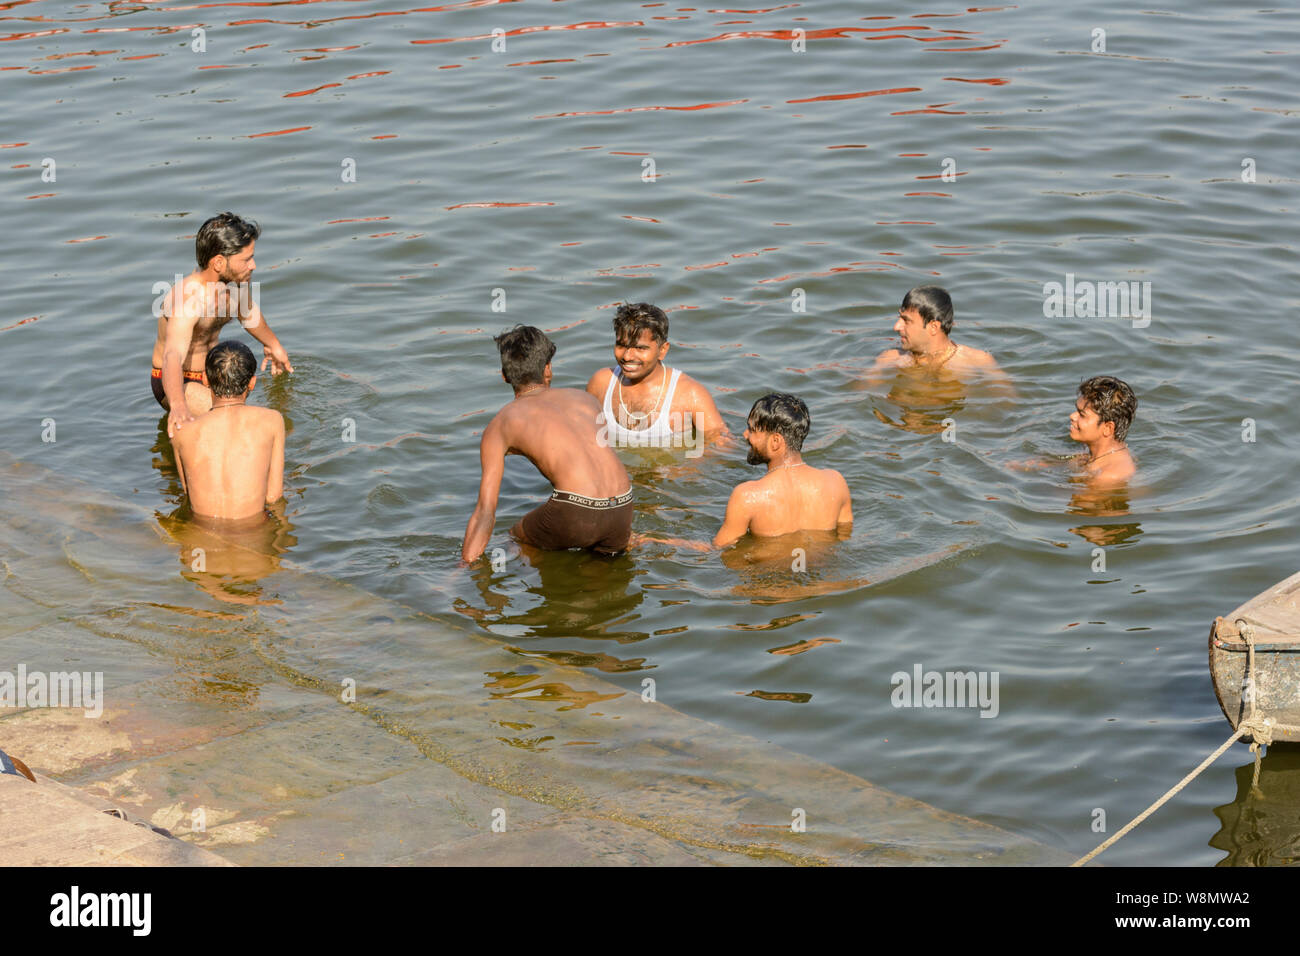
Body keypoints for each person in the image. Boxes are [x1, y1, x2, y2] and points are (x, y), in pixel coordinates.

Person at [462, 326, 635, 563]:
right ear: (548, 370)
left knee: (516, 536)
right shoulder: (585, 399)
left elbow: (485, 512)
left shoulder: (500, 423)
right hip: (623, 504)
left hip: (576, 510)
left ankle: (531, 576)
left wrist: (463, 569)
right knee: (602, 570)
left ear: (504, 375)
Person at [642, 394, 852, 550]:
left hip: (767, 590)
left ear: (776, 441)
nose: (744, 435)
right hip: (817, 589)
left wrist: (655, 540)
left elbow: (718, 551)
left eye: (752, 430)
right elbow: (844, 538)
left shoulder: (748, 496)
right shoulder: (836, 482)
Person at [150, 212, 293, 438]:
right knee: (242, 429)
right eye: (246, 259)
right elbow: (172, 356)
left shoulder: (236, 283)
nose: (253, 265)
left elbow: (248, 313)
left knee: (261, 422)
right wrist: (177, 405)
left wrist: (273, 345)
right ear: (218, 262)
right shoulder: (189, 298)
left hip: (213, 377)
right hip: (179, 380)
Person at [585, 302, 728, 451]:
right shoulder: (601, 383)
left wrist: (689, 469)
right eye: (621, 345)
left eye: (640, 348)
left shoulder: (690, 394)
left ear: (663, 350)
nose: (627, 356)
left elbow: (722, 446)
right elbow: (582, 433)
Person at [171, 341, 285, 521]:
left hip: (202, 537)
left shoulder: (181, 431)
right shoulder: (272, 421)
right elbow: (273, 496)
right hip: (253, 537)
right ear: (252, 383)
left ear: (205, 379)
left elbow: (189, 494)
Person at [868, 286, 1005, 379]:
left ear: (933, 327)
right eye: (899, 318)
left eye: (906, 320)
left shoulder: (978, 362)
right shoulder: (889, 359)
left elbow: (1006, 406)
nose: (896, 327)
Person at [1068, 375, 1137, 486]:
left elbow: (1076, 501)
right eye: (1076, 410)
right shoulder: (1098, 449)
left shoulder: (1107, 477)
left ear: (1107, 428)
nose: (1072, 416)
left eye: (1082, 414)